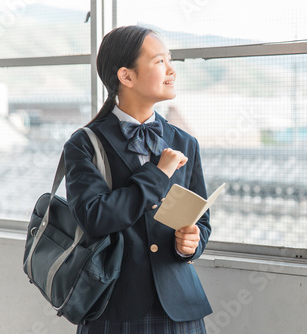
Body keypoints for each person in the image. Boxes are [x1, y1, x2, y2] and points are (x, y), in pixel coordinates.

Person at [63, 25, 212, 333]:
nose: (171, 70)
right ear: (126, 76)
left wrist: (190, 245)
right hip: (114, 307)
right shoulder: (84, 144)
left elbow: (202, 220)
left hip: (179, 307)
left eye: (170, 60)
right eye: (160, 62)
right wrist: (158, 174)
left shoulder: (185, 142)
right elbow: (96, 217)